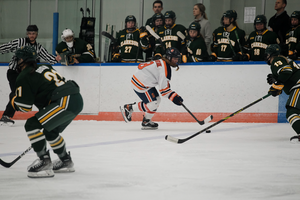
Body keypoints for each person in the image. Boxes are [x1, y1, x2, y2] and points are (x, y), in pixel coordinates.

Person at [11, 46, 83, 178]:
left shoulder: (25, 75)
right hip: (75, 99)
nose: (17, 61)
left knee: (31, 125)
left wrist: (13, 99)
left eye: (19, 58)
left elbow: (24, 107)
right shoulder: (44, 67)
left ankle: (44, 161)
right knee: (50, 132)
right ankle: (65, 161)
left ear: (23, 60)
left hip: (64, 101)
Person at [0, 25, 59, 126]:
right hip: (14, 72)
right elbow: (5, 47)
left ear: (37, 34)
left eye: (34, 34)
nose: (32, 35)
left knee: (33, 92)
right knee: (16, 92)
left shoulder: (38, 47)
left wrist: (57, 59)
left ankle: (44, 113)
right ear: (27, 34)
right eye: (30, 33)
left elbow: (48, 57)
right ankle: (6, 116)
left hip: (27, 74)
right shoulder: (19, 42)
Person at [120, 47, 183, 130]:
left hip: (143, 80)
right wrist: (175, 97)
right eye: (175, 58)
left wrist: (171, 93)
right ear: (169, 58)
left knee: (157, 100)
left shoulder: (163, 62)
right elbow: (164, 91)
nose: (176, 61)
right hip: (141, 83)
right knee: (153, 103)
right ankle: (129, 108)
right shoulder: (165, 69)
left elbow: (164, 87)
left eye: (177, 58)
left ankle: (146, 121)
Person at [264, 44, 300, 142]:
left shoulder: (276, 60)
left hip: (298, 86)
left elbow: (286, 72)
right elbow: (286, 77)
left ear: (271, 55)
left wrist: (276, 85)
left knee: (292, 112)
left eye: (267, 54)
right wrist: (277, 87)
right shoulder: (285, 60)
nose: (266, 56)